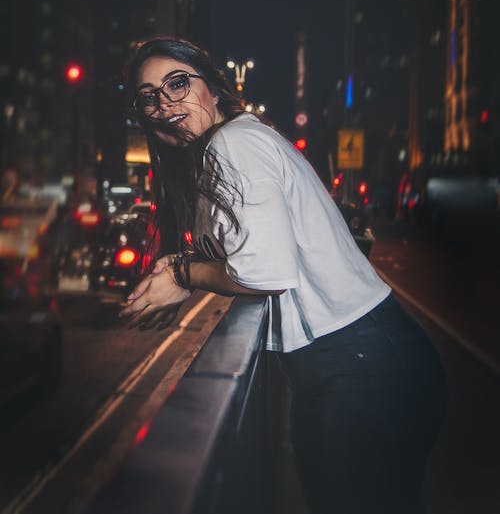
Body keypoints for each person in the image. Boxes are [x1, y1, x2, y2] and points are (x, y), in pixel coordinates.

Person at [120, 36, 447, 514]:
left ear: (213, 87)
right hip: (363, 364)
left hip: (361, 369)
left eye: (177, 83)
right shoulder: (225, 149)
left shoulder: (235, 144)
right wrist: (176, 269)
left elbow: (264, 270)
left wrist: (186, 275)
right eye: (149, 95)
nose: (164, 101)